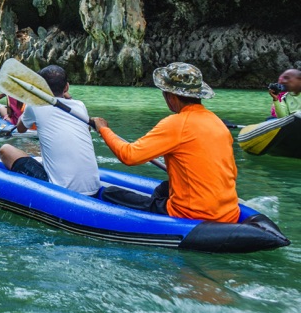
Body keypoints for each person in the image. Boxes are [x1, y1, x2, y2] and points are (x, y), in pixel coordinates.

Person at [89, 62, 240, 223]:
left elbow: (129, 156)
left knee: (110, 193)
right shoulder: (217, 122)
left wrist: (103, 129)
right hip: (229, 211)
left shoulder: (176, 123)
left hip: (193, 214)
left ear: (171, 96)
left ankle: (154, 219)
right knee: (163, 189)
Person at [0, 66, 100, 195]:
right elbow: (87, 128)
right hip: (93, 188)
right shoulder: (80, 106)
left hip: (61, 190)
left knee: (5, 150)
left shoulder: (35, 106)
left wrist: (31, 98)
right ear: (66, 87)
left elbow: (20, 128)